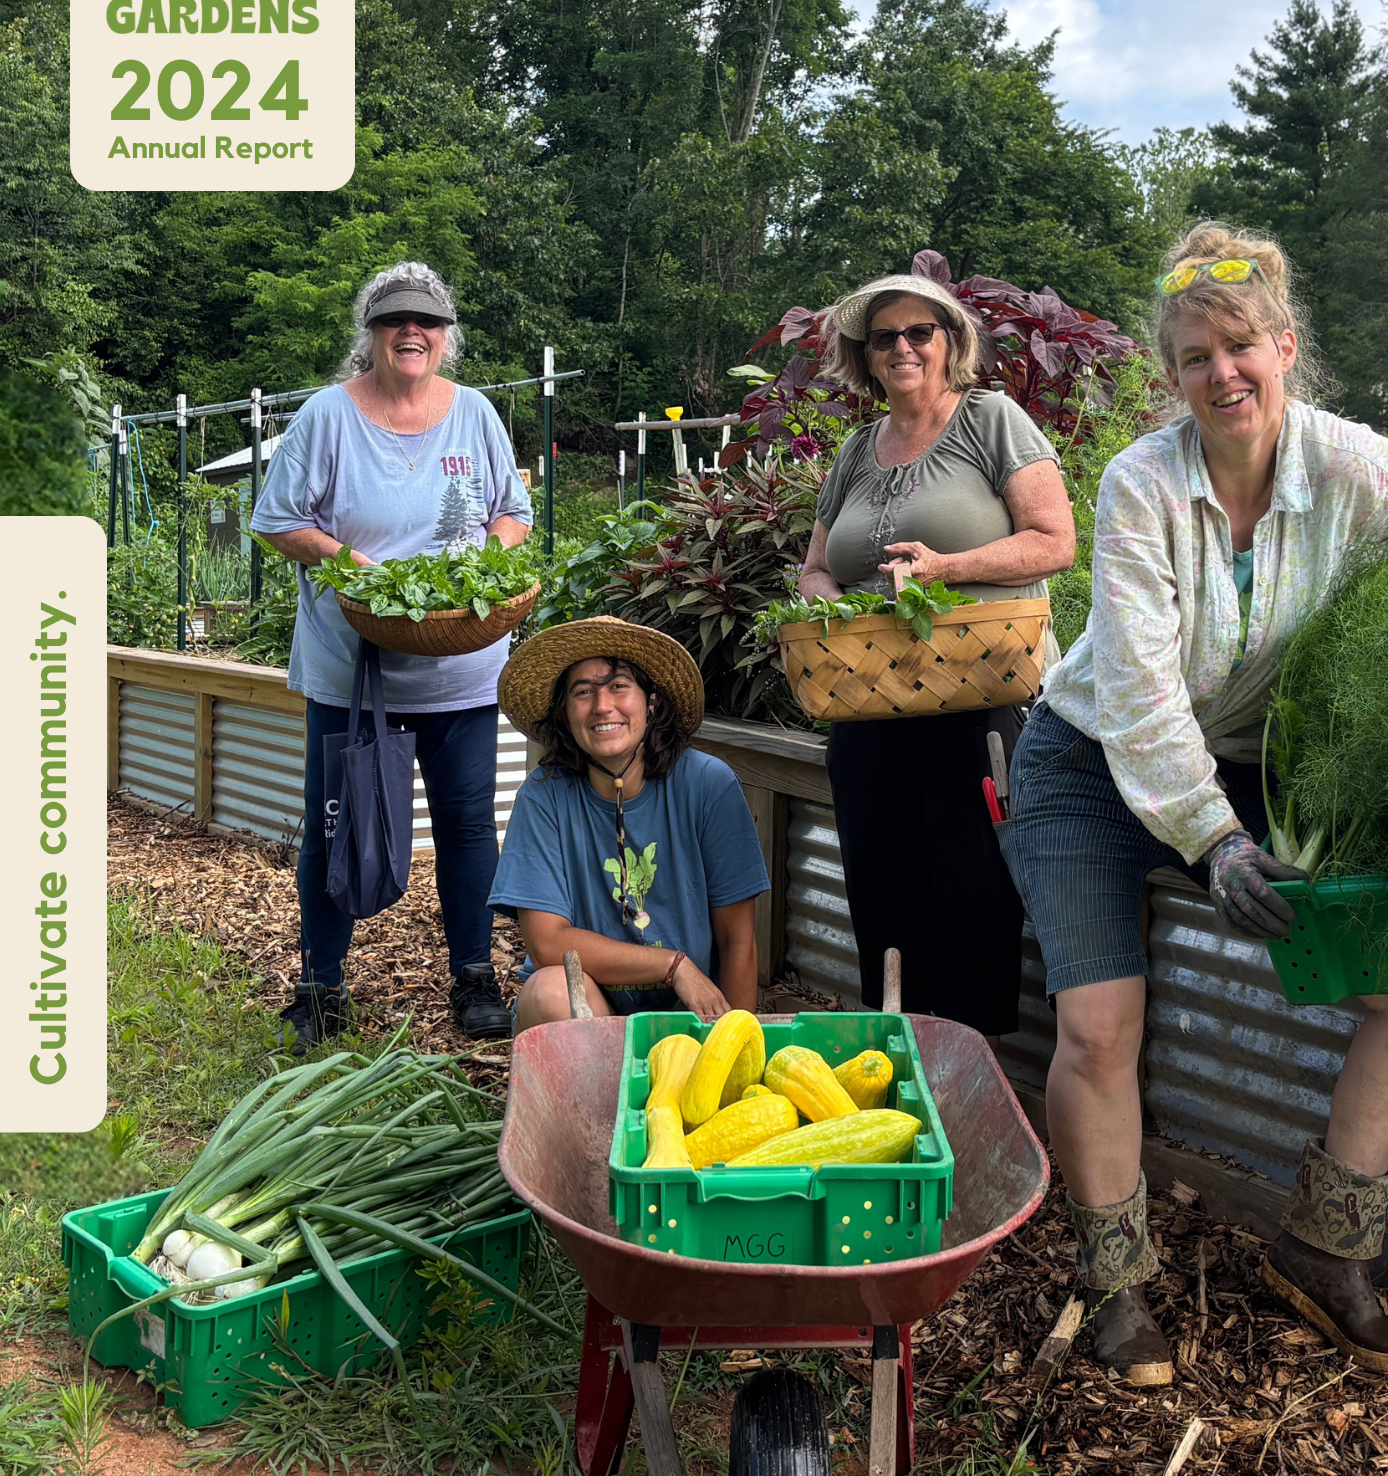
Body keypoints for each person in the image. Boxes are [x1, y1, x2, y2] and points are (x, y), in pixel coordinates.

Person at [1006, 222, 1388, 1387]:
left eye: (1241, 344)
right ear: (1174, 375)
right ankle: (1115, 1283)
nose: (1222, 373)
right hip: (1092, 761)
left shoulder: (1364, 471)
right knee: (1100, 1023)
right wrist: (1216, 841)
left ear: (1286, 346)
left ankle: (1323, 1248)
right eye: (1196, 356)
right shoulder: (1141, 480)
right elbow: (1142, 696)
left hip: (1256, 764)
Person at [253, 261, 532, 1049]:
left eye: (428, 321)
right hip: (354, 670)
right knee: (336, 827)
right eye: (394, 321)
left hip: (462, 668)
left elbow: (512, 512)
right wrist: (359, 571)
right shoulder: (327, 418)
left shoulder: (474, 413)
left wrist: (483, 560)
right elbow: (277, 519)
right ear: (370, 335)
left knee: (469, 826)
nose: (412, 332)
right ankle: (321, 986)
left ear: (446, 337)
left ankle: (474, 981)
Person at [797, 272, 1077, 1038]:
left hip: (976, 694)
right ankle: (893, 1049)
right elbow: (817, 564)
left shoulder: (991, 421)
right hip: (867, 699)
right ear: (865, 355)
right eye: (883, 337)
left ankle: (969, 1066)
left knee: (972, 883)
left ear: (950, 341)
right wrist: (823, 596)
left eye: (919, 331)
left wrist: (946, 568)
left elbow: (1054, 542)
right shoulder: (858, 449)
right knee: (879, 881)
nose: (901, 347)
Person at [493, 618, 766, 1025]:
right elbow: (548, 944)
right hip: (590, 1014)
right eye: (583, 692)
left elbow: (737, 940)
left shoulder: (709, 785)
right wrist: (671, 965)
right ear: (564, 715)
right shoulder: (544, 796)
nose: (603, 706)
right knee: (549, 992)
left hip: (690, 1017)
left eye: (619, 686)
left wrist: (739, 1047)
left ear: (651, 702)